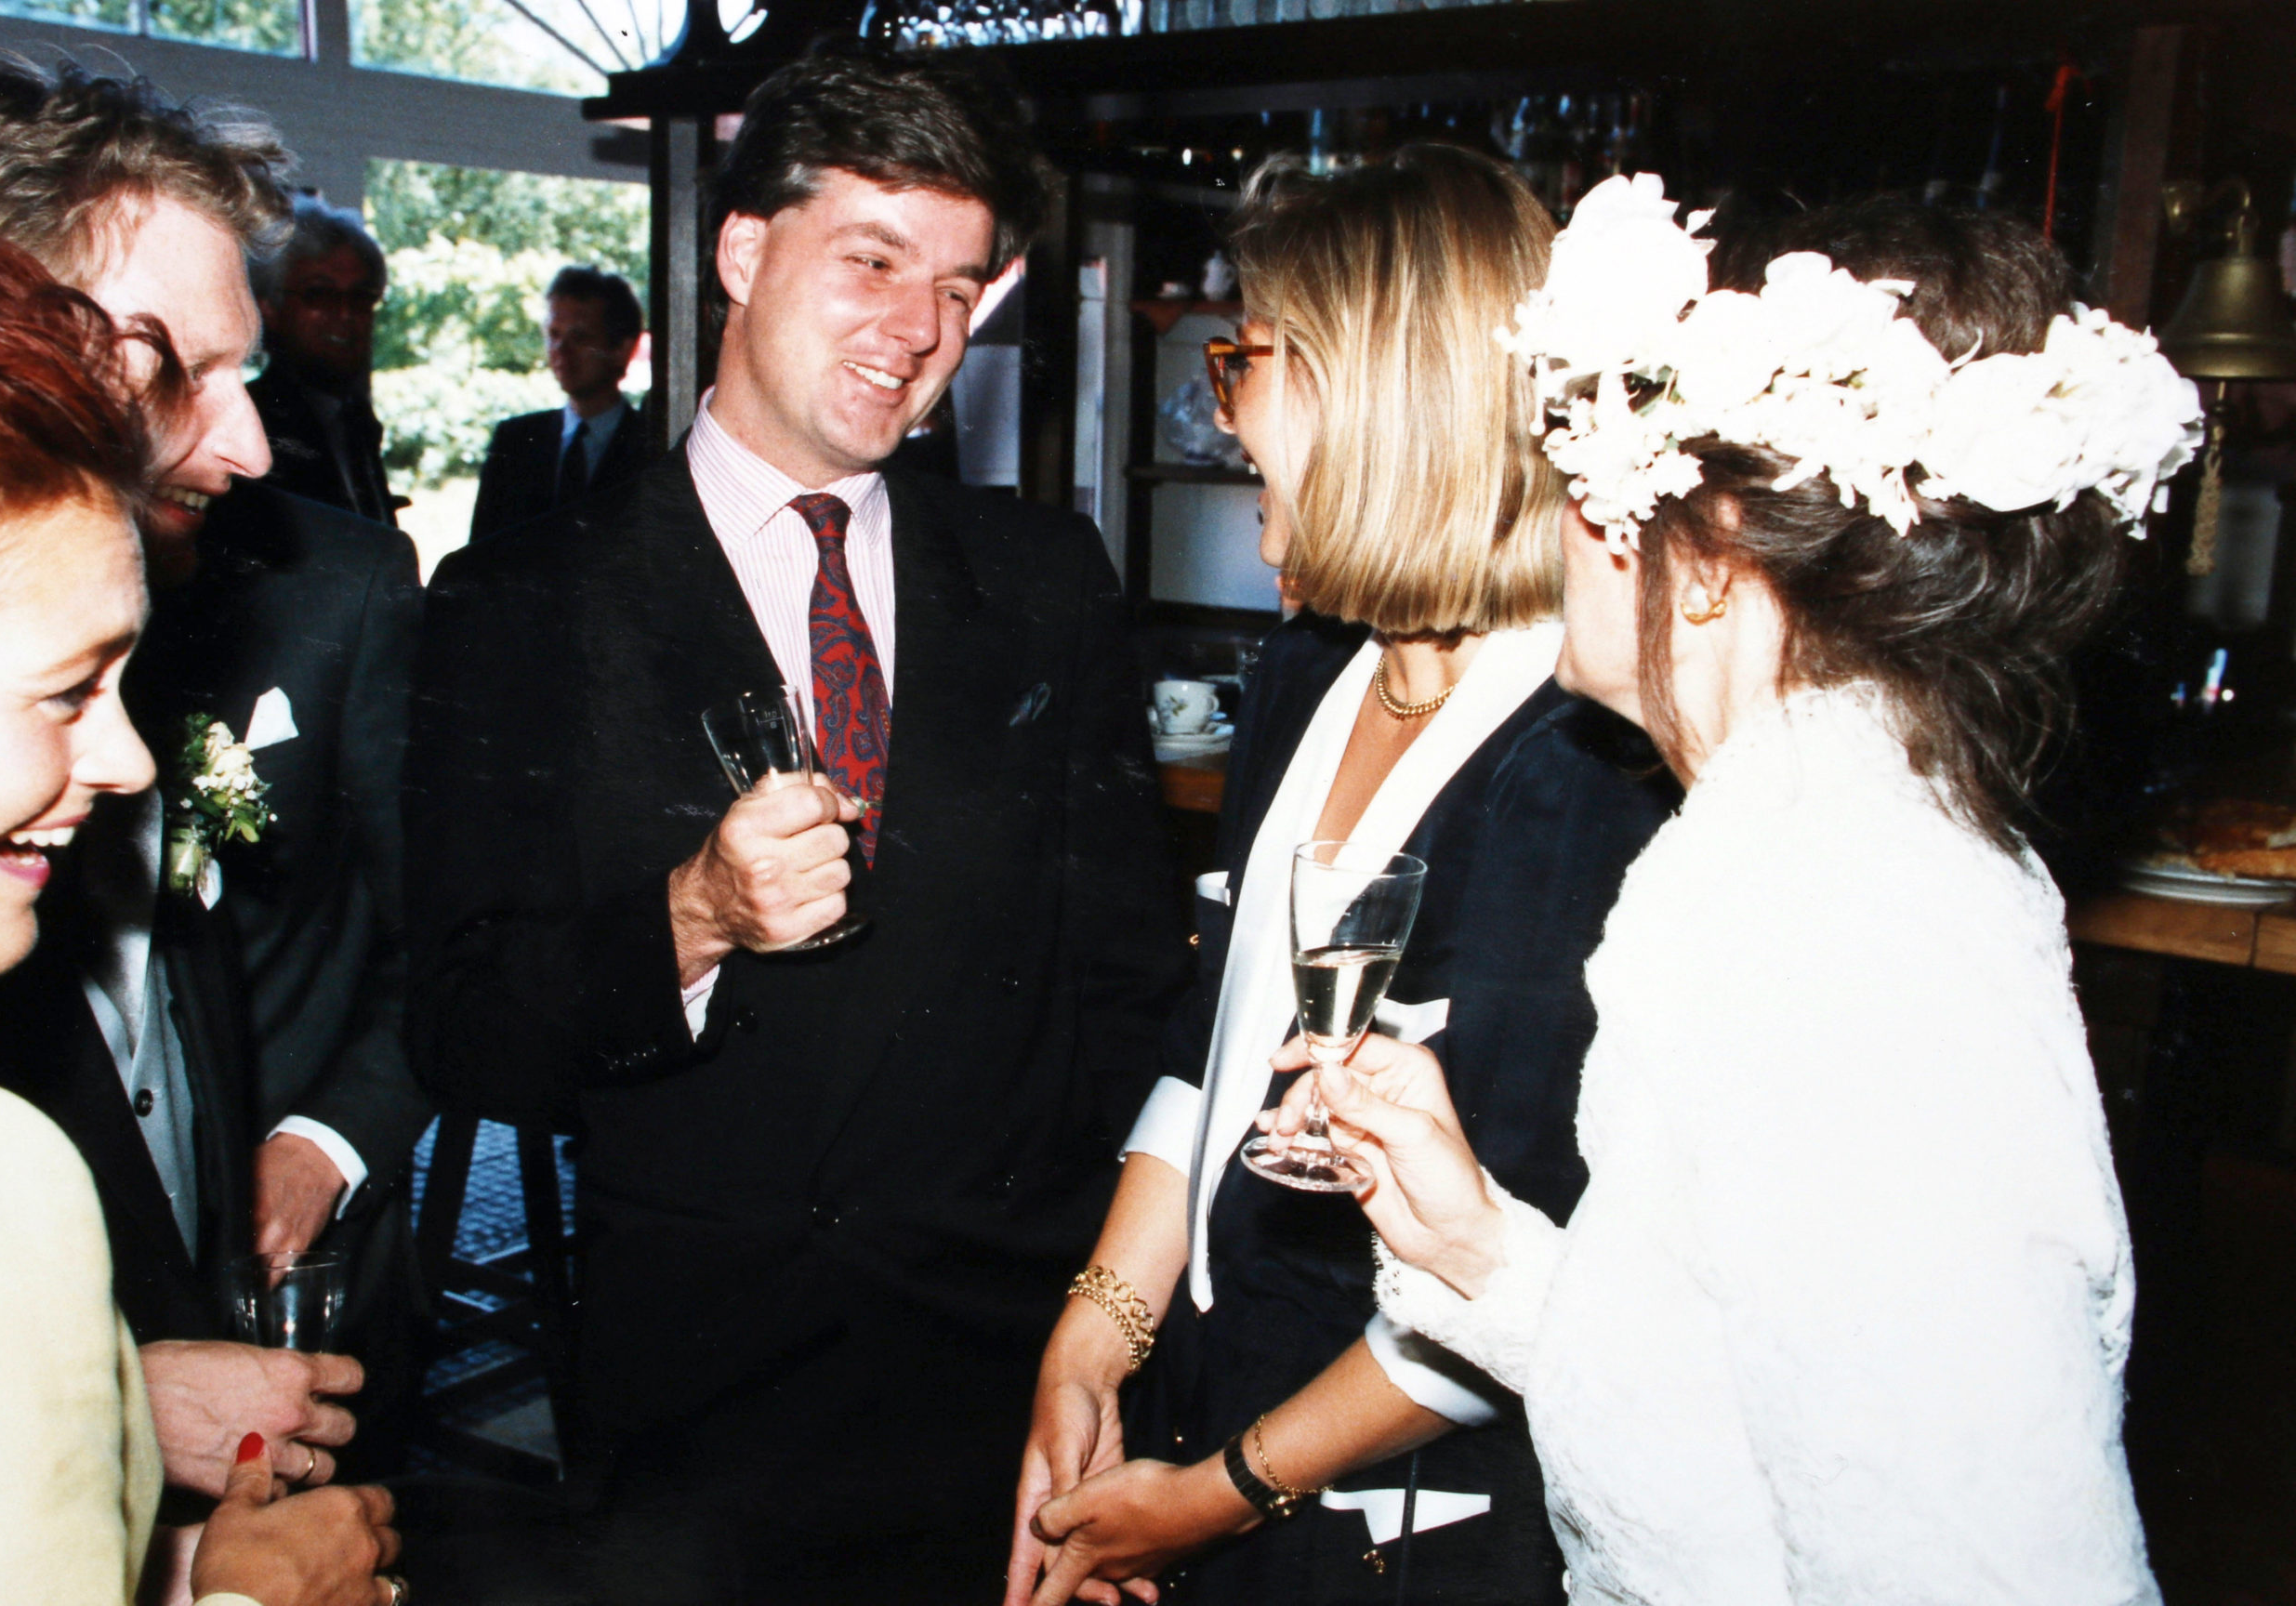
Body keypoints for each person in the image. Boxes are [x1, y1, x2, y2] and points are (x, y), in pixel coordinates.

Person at [1260, 181, 2198, 1601]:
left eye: (1587, 481)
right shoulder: (1780, 859)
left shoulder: (1839, 922)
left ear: (1710, 556)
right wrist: (1483, 1252)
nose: (1555, 525)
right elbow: (1749, 1421)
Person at [407, 52, 1189, 1605]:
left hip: (1002, 1386)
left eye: (958, 287)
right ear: (744, 249)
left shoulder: (1046, 578)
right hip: (700, 1409)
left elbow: (1124, 994)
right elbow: (464, 1029)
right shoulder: (526, 599)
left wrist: (1104, 1341)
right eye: (873, 262)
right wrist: (691, 914)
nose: (919, 330)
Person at [1013, 147, 1676, 1606]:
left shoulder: (1582, 765)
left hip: (1394, 1516)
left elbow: (1524, 1268)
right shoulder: (1310, 669)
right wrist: (1095, 1336)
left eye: (1243, 361)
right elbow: (1214, 1048)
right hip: (1215, 1404)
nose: (1221, 410)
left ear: (1375, 397)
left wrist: (1220, 1497)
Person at [0, 50, 429, 1494]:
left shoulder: (198, 632)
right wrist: (115, 1402)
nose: (251, 445)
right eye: (171, 370)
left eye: (243, 375)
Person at [468, 264, 653, 542]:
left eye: (579, 337)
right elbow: (478, 554)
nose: (560, 350)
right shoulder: (514, 441)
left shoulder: (652, 444)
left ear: (621, 349)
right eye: (554, 335)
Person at [249, 193, 399, 527]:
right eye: (319, 294)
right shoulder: (252, 421)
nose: (346, 314)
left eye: (361, 297)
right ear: (269, 309)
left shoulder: (353, 417)